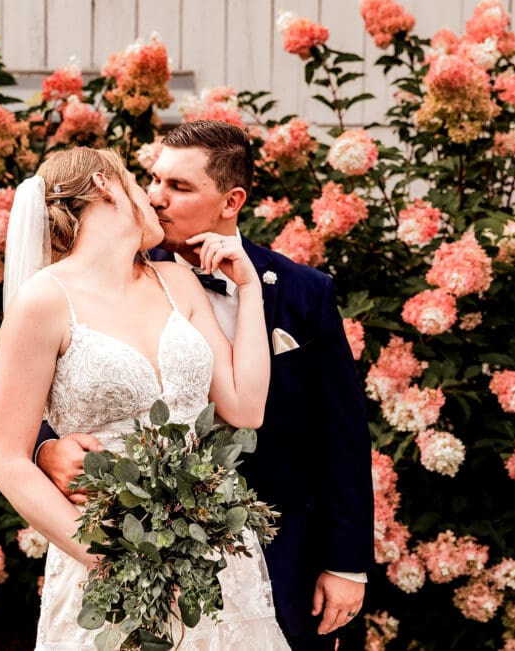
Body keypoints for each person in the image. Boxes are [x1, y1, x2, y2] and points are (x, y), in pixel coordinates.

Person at [36, 121, 374, 650]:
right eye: (153, 180)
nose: (156, 198)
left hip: (277, 555)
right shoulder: (106, 282)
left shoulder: (304, 293)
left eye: (180, 187)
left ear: (230, 200)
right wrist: (45, 450)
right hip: (129, 546)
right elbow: (62, 387)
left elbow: (343, 435)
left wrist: (347, 564)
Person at [0, 146, 291, 649]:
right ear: (107, 185)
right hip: (108, 551)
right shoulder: (43, 300)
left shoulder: (174, 281)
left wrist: (250, 289)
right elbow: (5, 460)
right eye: (137, 180)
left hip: (213, 552)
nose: (151, 197)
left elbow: (245, 407)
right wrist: (114, 559)